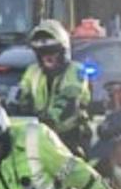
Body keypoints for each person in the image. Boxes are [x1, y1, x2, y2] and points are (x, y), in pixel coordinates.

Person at [17, 20, 92, 155]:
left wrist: (47, 121)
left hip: (70, 137)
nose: (47, 57)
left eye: (52, 52)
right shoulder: (32, 71)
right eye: (42, 53)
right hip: (38, 135)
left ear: (63, 51)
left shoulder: (76, 70)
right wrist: (15, 112)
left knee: (72, 170)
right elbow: (21, 97)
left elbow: (68, 101)